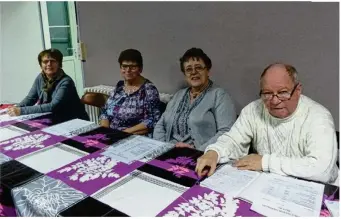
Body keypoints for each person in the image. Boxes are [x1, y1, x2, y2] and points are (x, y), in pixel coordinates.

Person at [196, 63, 339, 184]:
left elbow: (322, 170)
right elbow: (234, 139)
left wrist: (265, 162)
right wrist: (215, 152)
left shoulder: (318, 116)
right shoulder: (253, 110)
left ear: (298, 90)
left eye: (283, 92)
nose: (275, 101)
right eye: (267, 93)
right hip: (271, 185)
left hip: (319, 192)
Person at [153, 48, 236, 151]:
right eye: (188, 69)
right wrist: (163, 147)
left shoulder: (219, 95)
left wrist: (198, 152)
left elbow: (226, 132)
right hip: (169, 152)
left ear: (208, 71)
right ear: (185, 75)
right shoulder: (179, 95)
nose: (193, 72)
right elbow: (160, 125)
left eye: (198, 68)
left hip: (201, 155)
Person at [6, 48, 89, 122]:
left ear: (59, 64)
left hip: (74, 121)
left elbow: (52, 106)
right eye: (45, 62)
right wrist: (15, 108)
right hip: (54, 118)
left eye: (53, 61)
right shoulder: (40, 77)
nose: (49, 64)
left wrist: (21, 111)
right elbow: (31, 98)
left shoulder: (66, 82)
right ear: (41, 65)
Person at [99, 49, 161, 135]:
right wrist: (105, 132)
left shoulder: (149, 90)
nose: (128, 70)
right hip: (112, 135)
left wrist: (121, 134)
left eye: (133, 67)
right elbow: (105, 112)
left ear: (140, 69)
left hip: (134, 136)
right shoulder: (119, 88)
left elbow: (153, 120)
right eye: (124, 66)